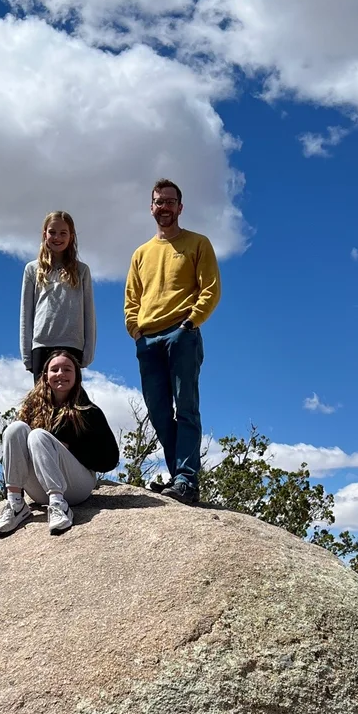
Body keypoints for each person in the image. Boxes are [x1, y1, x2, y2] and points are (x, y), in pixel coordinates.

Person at [124, 178, 220, 506]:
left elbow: (211, 288)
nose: (164, 207)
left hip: (182, 334)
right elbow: (131, 299)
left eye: (170, 201)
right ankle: (178, 475)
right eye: (159, 202)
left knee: (187, 407)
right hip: (148, 341)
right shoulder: (141, 253)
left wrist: (191, 323)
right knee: (159, 412)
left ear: (180, 207)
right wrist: (136, 331)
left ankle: (186, 480)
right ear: (151, 208)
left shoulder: (198, 243)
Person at [0, 350, 119, 537]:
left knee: (37, 436)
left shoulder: (89, 411)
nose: (61, 374)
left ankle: (60, 506)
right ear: (45, 376)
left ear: (76, 376)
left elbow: (110, 460)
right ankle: (15, 503)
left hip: (76, 487)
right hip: (40, 490)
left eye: (67, 369)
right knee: (14, 429)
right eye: (55, 370)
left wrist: (71, 448)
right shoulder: (32, 409)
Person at [20, 211, 96, 384]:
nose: (57, 237)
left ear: (71, 236)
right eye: (52, 232)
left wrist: (88, 352)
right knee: (43, 397)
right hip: (41, 345)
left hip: (72, 345)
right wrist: (27, 355)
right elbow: (26, 313)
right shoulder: (32, 269)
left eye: (63, 233)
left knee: (69, 397)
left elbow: (89, 313)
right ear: (44, 234)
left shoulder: (81, 271)